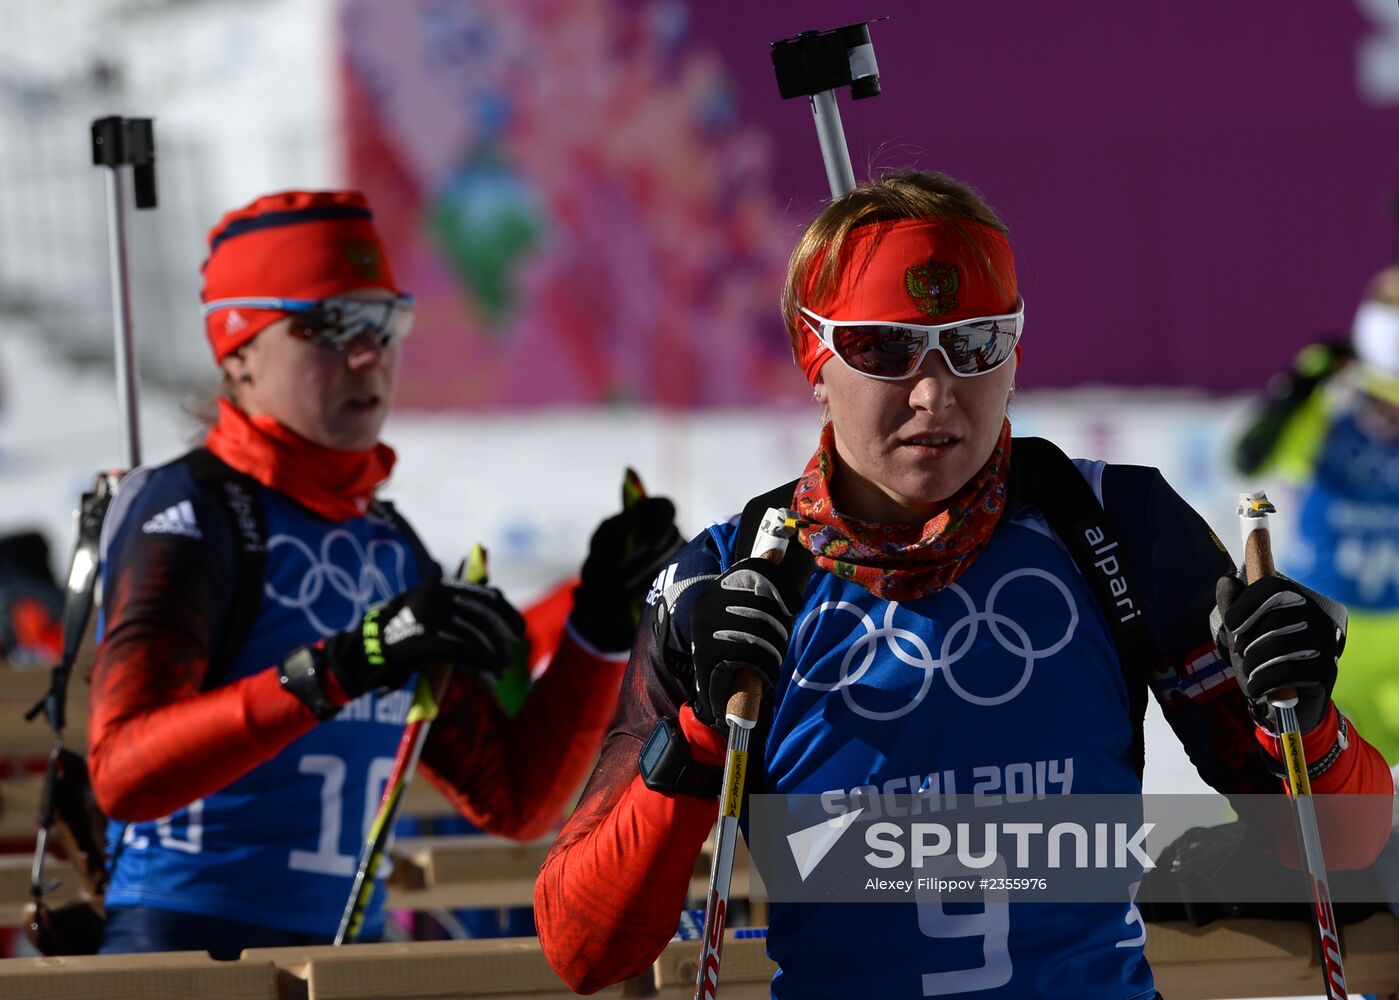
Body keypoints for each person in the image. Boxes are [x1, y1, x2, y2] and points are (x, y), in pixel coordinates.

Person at [533, 171, 1394, 998]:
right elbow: (582, 946)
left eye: (975, 343)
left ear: (1015, 349)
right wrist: (694, 735)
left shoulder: (1117, 528)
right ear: (812, 353)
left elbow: (1347, 849)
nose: (934, 393)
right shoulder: (731, 581)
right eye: (883, 349)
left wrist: (1306, 717)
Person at [87, 190, 681, 957]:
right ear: (237, 348)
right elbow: (124, 774)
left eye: (383, 321)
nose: (366, 353)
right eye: (327, 326)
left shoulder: (384, 539)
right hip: (185, 951)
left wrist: (598, 626)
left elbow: (515, 801)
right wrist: (343, 664)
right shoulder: (193, 510)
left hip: (344, 956)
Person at [1233, 265, 1399, 764]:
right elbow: (1250, 457)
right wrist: (1304, 385)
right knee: (1295, 773)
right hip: (1327, 631)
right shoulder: (1330, 411)